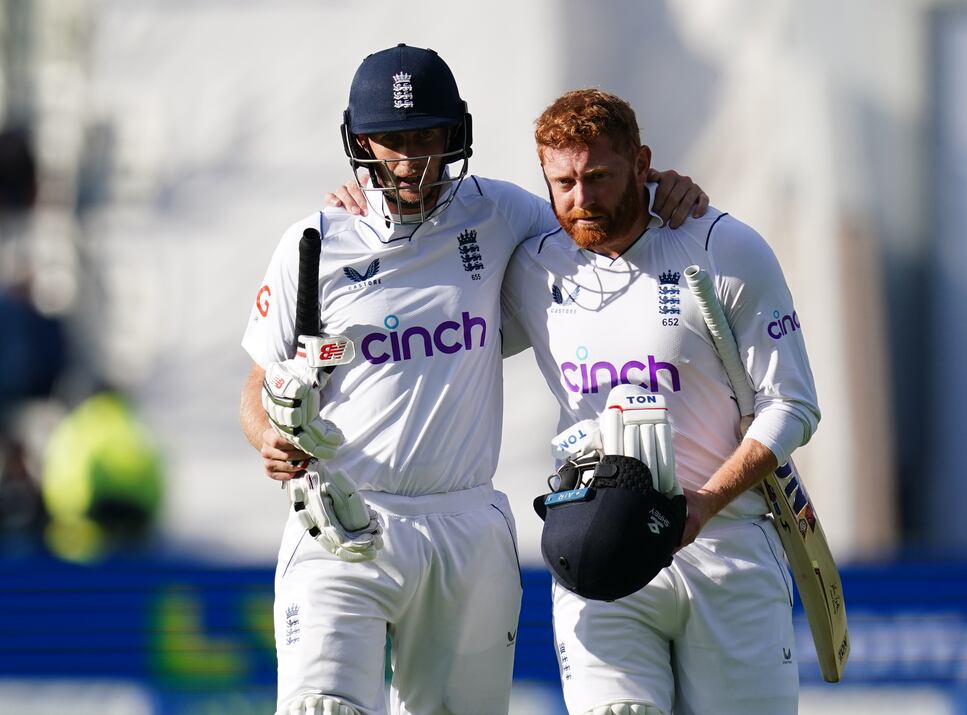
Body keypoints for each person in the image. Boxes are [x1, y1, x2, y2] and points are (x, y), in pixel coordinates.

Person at [239, 44, 707, 715]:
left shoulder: (501, 214)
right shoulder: (314, 242)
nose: (409, 160)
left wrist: (660, 185)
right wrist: (268, 437)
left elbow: (599, 220)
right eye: (391, 140)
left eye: (426, 136)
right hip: (343, 516)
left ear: (455, 134)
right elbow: (258, 384)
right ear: (359, 140)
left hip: (465, 522)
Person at [498, 89, 821, 715]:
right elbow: (442, 339)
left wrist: (703, 504)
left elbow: (794, 405)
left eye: (598, 176)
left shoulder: (724, 248)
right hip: (599, 545)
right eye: (562, 182)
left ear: (642, 164)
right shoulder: (532, 270)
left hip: (725, 544)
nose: (581, 199)